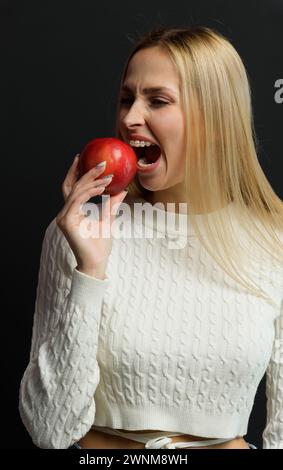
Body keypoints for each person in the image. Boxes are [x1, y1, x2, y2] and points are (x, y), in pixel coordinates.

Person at [19, 26, 283, 450]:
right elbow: (50, 431)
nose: (128, 118)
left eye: (156, 101)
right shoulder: (80, 230)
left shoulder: (275, 241)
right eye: (127, 99)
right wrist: (89, 271)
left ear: (215, 120)